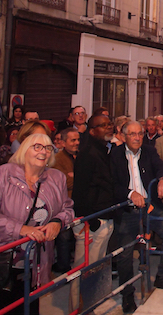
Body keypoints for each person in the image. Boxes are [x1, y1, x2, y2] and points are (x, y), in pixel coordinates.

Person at [111, 121, 163, 313]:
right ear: (124, 136)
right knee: (126, 253)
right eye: (132, 134)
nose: (136, 137)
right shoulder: (114, 155)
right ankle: (127, 294)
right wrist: (129, 194)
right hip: (127, 209)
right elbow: (111, 184)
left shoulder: (149, 151)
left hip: (150, 206)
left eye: (140, 134)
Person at [0, 133, 74, 314]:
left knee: (30, 308)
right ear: (24, 150)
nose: (44, 152)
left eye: (48, 148)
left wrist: (58, 221)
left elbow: (68, 209)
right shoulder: (4, 174)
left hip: (37, 264)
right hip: (6, 262)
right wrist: (20, 229)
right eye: (38, 147)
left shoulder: (56, 178)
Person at [69, 114, 115, 312]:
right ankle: (78, 309)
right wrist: (91, 220)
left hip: (104, 218)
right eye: (102, 125)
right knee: (83, 270)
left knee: (96, 269)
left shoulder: (103, 151)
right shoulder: (88, 154)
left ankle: (92, 305)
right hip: (91, 223)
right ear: (92, 130)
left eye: (109, 124)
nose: (108, 127)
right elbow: (79, 191)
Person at [52, 128, 80, 273]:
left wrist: (74, 176)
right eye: (73, 140)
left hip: (80, 201)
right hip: (64, 203)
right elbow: (62, 182)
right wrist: (76, 177)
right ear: (63, 143)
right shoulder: (57, 159)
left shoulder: (81, 156)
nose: (76, 143)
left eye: (78, 140)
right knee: (64, 236)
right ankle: (63, 266)